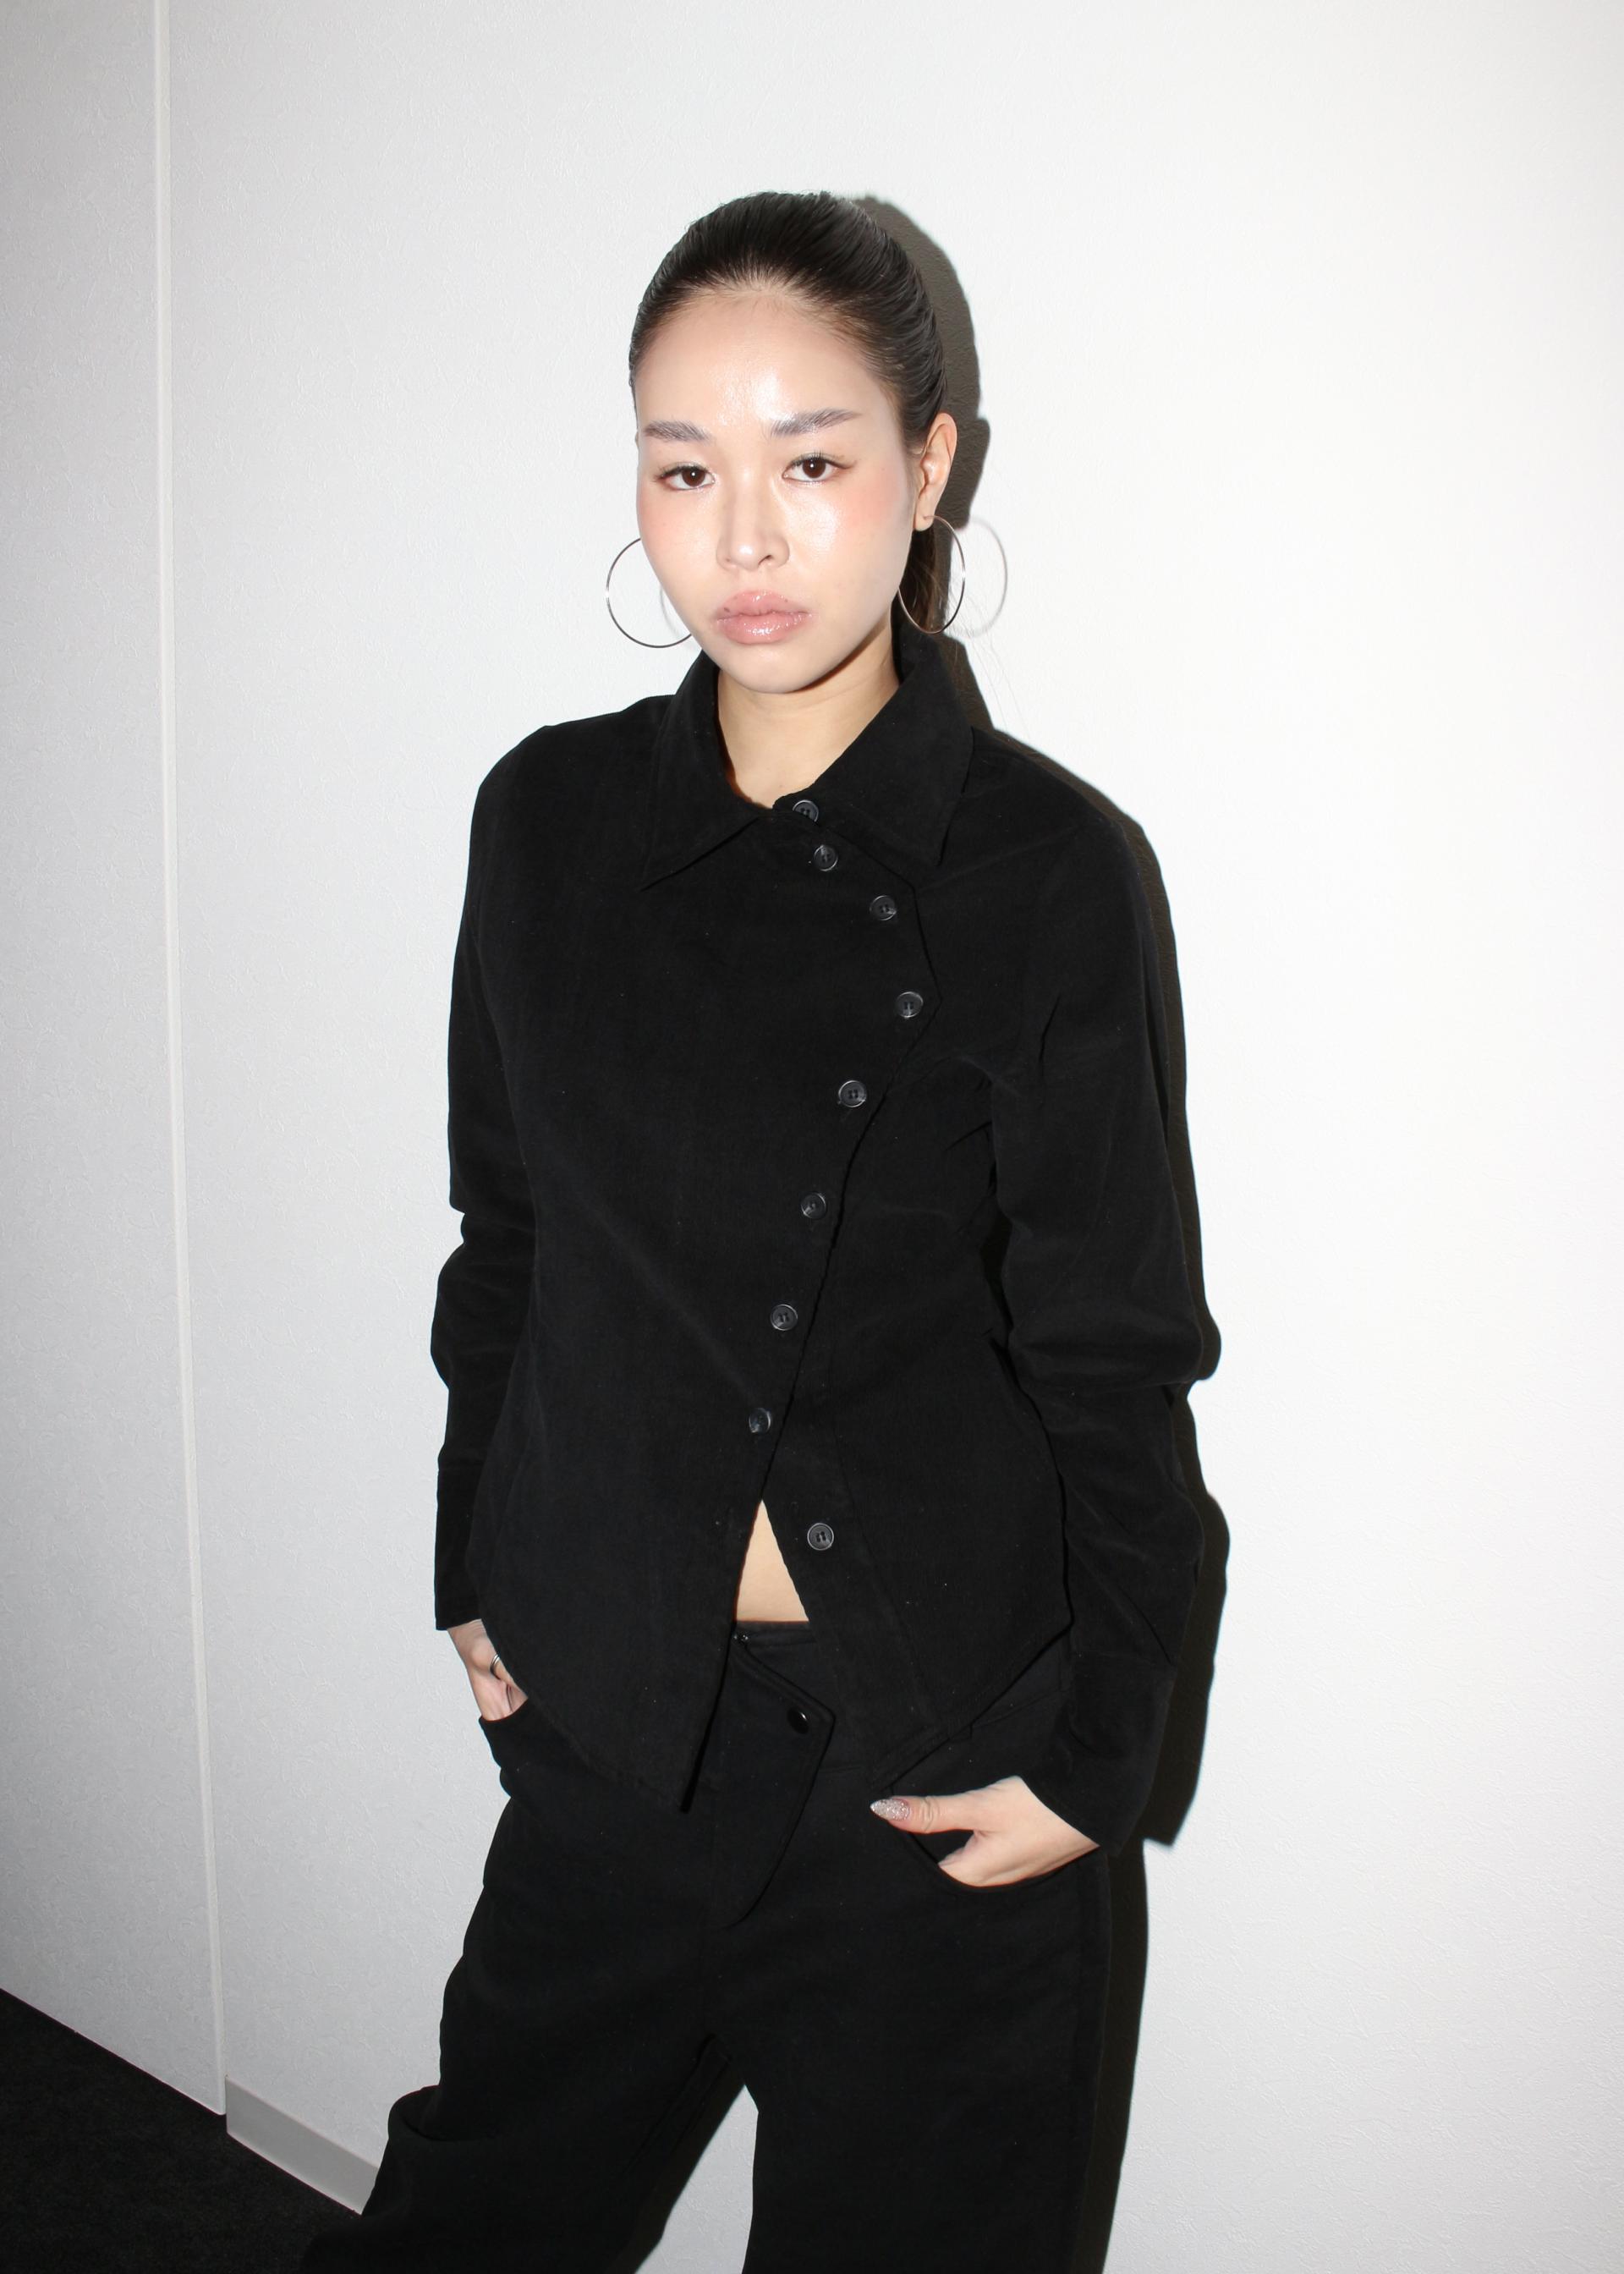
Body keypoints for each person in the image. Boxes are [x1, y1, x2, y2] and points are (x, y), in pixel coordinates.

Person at [300, 188, 1206, 2273]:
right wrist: (474, 1559)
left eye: (811, 462)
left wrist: (1104, 1756)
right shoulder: (547, 819)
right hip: (619, 1731)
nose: (745, 537)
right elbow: (508, 1231)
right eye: (684, 469)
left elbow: (1115, 1350)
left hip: (928, 1768)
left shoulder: (1051, 872)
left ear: (930, 466)